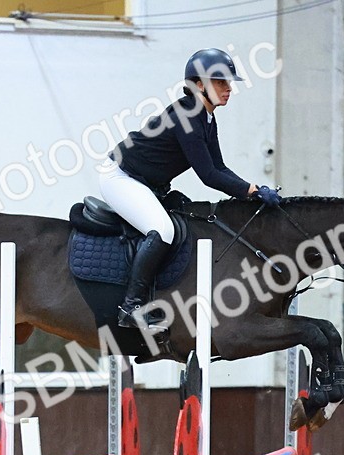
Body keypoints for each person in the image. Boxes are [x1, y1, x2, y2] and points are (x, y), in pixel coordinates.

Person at [101, 48, 282, 330]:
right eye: (220, 82)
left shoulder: (206, 118)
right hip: (121, 177)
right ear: (199, 85)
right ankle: (131, 307)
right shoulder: (188, 115)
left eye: (228, 83)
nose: (228, 88)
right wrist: (252, 191)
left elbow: (220, 167)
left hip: (147, 183)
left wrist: (253, 189)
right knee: (163, 230)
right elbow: (208, 175)